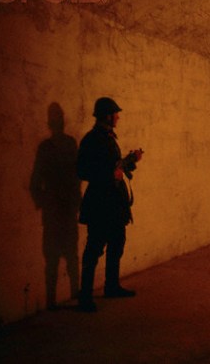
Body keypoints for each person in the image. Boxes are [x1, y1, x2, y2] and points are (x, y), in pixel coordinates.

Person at [77, 97, 143, 312]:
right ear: (107, 115)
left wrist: (130, 160)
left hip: (114, 202)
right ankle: (85, 297)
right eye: (115, 113)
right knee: (94, 248)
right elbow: (83, 170)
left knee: (117, 243)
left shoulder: (107, 137)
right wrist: (109, 173)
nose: (118, 117)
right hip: (100, 203)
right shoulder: (92, 139)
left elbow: (114, 166)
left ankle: (111, 286)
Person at [30, 103, 80, 310]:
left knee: (59, 258)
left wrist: (44, 202)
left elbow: (36, 182)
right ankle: (72, 297)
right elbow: (36, 181)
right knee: (65, 257)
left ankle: (56, 300)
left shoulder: (53, 147)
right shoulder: (67, 145)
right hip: (62, 210)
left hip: (60, 210)